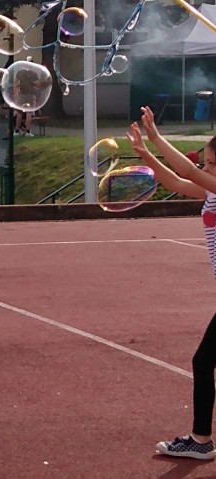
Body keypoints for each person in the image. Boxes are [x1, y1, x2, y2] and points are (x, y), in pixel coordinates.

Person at [128, 106, 216, 461]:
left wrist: (157, 138)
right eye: (207, 163)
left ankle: (201, 439)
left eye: (211, 165)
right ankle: (201, 439)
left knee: (202, 361)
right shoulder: (210, 192)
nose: (205, 170)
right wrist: (147, 154)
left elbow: (185, 171)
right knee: (204, 361)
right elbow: (177, 182)